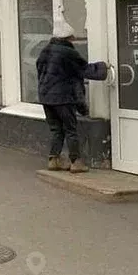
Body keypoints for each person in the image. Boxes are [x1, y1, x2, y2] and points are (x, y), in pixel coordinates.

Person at [36, 18, 108, 173]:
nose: (74, 40)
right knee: (70, 129)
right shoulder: (68, 52)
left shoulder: (45, 51)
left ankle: (53, 159)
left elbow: (40, 72)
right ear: (67, 38)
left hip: (46, 98)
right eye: (72, 37)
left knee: (56, 129)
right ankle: (76, 162)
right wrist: (104, 67)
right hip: (63, 98)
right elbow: (84, 69)